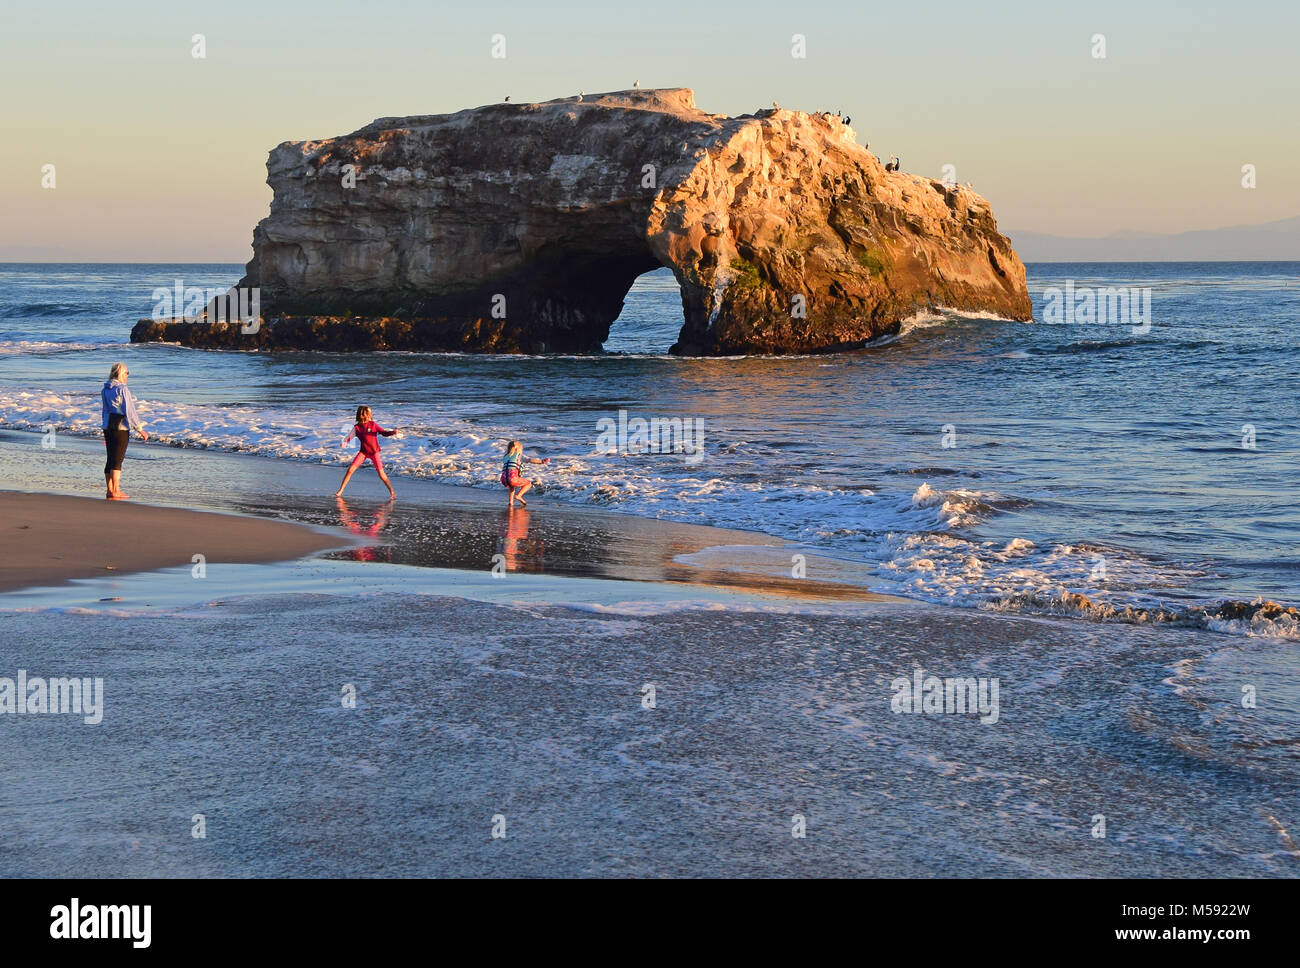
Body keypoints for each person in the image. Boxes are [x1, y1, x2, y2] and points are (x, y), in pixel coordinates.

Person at [101, 362, 148, 500]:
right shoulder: (122, 389)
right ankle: (116, 491)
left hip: (108, 426)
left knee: (110, 458)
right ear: (121, 374)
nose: (128, 375)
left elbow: (104, 410)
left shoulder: (105, 389)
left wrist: (105, 425)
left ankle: (110, 489)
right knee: (117, 460)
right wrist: (140, 429)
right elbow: (129, 411)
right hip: (120, 427)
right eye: (127, 373)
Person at [336, 406, 398, 498]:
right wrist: (344, 443)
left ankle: (392, 492)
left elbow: (383, 433)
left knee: (381, 474)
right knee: (350, 470)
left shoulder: (373, 425)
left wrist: (392, 432)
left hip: (374, 453)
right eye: (369, 412)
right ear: (363, 414)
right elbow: (349, 437)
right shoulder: (357, 428)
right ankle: (340, 491)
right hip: (363, 453)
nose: (371, 414)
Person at [500, 439, 549, 507]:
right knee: (528, 484)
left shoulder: (506, 456)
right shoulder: (519, 456)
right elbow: (530, 460)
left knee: (511, 487)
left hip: (503, 478)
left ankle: (511, 502)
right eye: (521, 449)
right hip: (512, 478)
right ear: (518, 449)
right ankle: (519, 496)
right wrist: (541, 461)